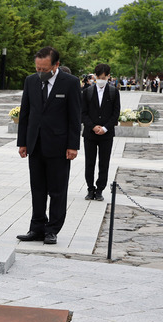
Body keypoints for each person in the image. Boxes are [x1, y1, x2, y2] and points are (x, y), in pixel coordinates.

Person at [16, 46, 81, 245]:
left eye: (45, 69)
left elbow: (74, 116)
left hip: (59, 145)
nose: (41, 73)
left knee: (57, 190)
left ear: (56, 65)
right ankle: (36, 228)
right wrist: (23, 142)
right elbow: (25, 113)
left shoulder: (70, 83)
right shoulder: (31, 81)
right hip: (35, 144)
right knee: (37, 188)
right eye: (38, 69)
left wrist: (73, 145)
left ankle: (52, 229)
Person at [81, 63, 120, 202]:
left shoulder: (113, 92)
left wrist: (105, 128)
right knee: (89, 162)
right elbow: (83, 113)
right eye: (99, 77)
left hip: (106, 134)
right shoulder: (87, 91)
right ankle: (90, 188)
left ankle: (100, 189)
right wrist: (93, 126)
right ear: (95, 76)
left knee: (104, 162)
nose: (101, 79)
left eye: (104, 77)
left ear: (108, 77)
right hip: (90, 134)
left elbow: (116, 113)